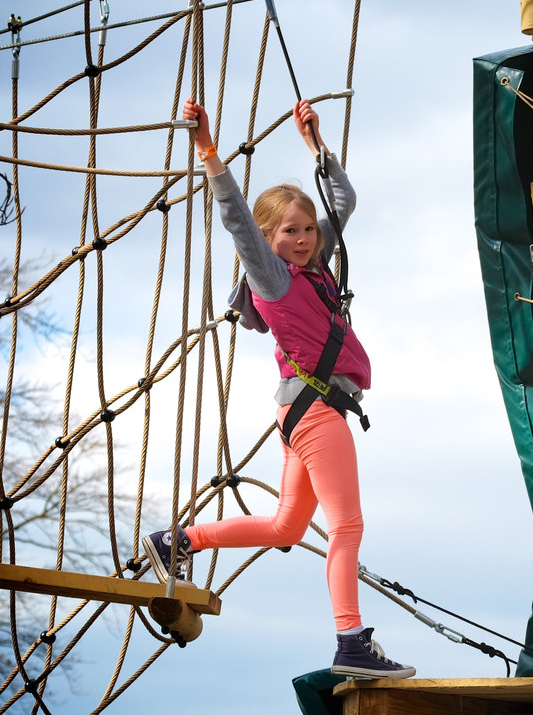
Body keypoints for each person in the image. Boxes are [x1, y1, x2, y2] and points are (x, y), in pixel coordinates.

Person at [142, 97, 414, 680]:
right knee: (346, 527)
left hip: (301, 413)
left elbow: (344, 201)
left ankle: (179, 540)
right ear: (270, 239)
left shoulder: (315, 268)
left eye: (309, 229)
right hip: (318, 416)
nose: (304, 238)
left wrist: (317, 148)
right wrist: (209, 151)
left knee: (287, 527)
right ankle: (351, 640)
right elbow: (238, 217)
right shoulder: (272, 275)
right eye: (290, 230)